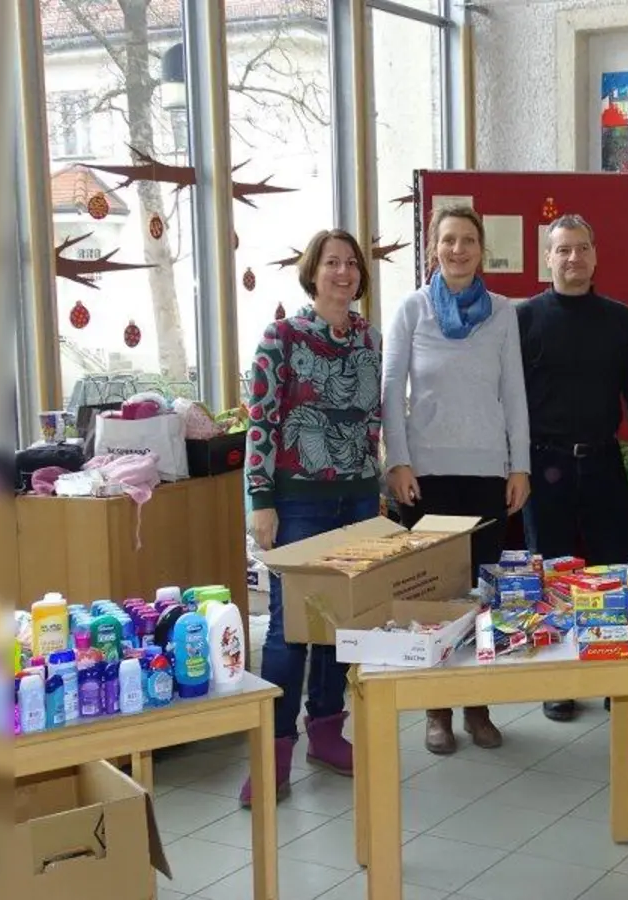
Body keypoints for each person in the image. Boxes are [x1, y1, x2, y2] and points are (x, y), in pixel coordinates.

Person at [382, 205, 532, 755]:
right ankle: (436, 711)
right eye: (449, 240)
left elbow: (513, 391)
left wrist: (520, 466)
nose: (458, 250)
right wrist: (398, 462)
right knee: (435, 598)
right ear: (433, 248)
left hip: (486, 472)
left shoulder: (501, 312)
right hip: (427, 477)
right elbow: (391, 389)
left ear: (480, 248)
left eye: (468, 240)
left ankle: (478, 705)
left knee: (480, 596)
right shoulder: (412, 310)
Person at [240, 228, 382, 807]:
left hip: (359, 499)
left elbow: (371, 419)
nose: (343, 272)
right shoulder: (282, 336)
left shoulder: (369, 338)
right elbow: (261, 420)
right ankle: (273, 751)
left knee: (339, 623)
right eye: (332, 263)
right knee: (287, 629)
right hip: (297, 500)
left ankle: (327, 731)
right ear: (313, 272)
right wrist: (260, 499)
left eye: (351, 264)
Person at [517, 214, 628, 728]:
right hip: (542, 462)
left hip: (601, 461)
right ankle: (559, 684)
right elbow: (510, 401)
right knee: (552, 575)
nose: (573, 259)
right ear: (548, 259)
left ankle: (617, 683)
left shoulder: (620, 320)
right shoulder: (525, 318)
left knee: (610, 575)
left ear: (595, 256)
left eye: (582, 249)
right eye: (563, 250)